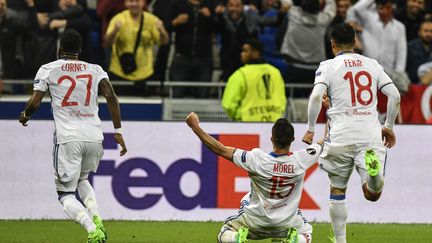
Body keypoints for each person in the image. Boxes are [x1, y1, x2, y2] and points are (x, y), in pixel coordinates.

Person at [18, 29, 127, 243]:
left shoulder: (48, 69)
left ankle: (92, 230)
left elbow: (35, 102)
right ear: (80, 50)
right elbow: (111, 96)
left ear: (60, 49)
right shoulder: (95, 69)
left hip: (68, 138)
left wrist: (25, 115)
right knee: (83, 179)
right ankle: (97, 219)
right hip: (95, 136)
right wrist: (118, 131)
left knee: (65, 194)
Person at [302, 23, 401, 243]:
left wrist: (310, 129)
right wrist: (389, 127)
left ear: (332, 44)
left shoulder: (328, 66)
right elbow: (394, 96)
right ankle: (374, 177)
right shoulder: (372, 64)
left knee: (337, 189)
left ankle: (340, 241)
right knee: (372, 194)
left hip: (340, 136)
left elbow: (316, 97)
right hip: (369, 134)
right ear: (355, 42)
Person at [186, 112, 322, 243]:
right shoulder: (302, 159)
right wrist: (331, 112)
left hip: (254, 222)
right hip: (286, 224)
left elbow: (220, 149)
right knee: (306, 233)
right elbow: (327, 141)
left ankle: (236, 238)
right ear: (292, 139)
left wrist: (195, 127)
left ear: (272, 138)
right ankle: (296, 240)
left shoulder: (256, 158)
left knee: (225, 232)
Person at [105, 0, 169, 95]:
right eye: (131, 1)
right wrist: (115, 30)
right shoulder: (118, 18)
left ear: (143, 3)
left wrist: (162, 30)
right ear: (126, 3)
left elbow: (164, 41)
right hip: (119, 72)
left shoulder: (152, 20)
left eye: (137, 1)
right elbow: (107, 43)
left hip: (144, 74)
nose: (134, 4)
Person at [222, 39, 286, 121]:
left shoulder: (240, 74)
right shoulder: (276, 72)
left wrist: (241, 116)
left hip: (249, 127)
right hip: (274, 125)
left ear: (256, 53)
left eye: (245, 51)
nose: (242, 54)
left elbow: (228, 104)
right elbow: (282, 100)